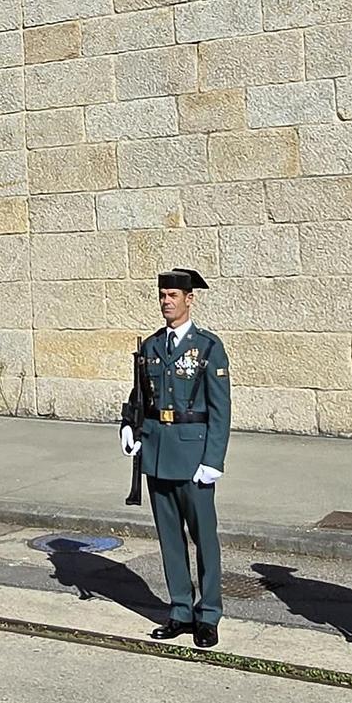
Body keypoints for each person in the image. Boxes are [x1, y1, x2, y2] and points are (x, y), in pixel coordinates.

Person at [120, 269, 232, 649]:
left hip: (193, 453)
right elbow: (140, 395)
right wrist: (128, 426)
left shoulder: (208, 347)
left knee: (204, 539)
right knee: (169, 539)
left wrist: (213, 458)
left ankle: (209, 613)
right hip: (157, 451)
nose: (167, 301)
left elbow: (221, 408)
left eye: (173, 295)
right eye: (163, 295)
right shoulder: (152, 346)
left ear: (189, 299)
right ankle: (181, 609)